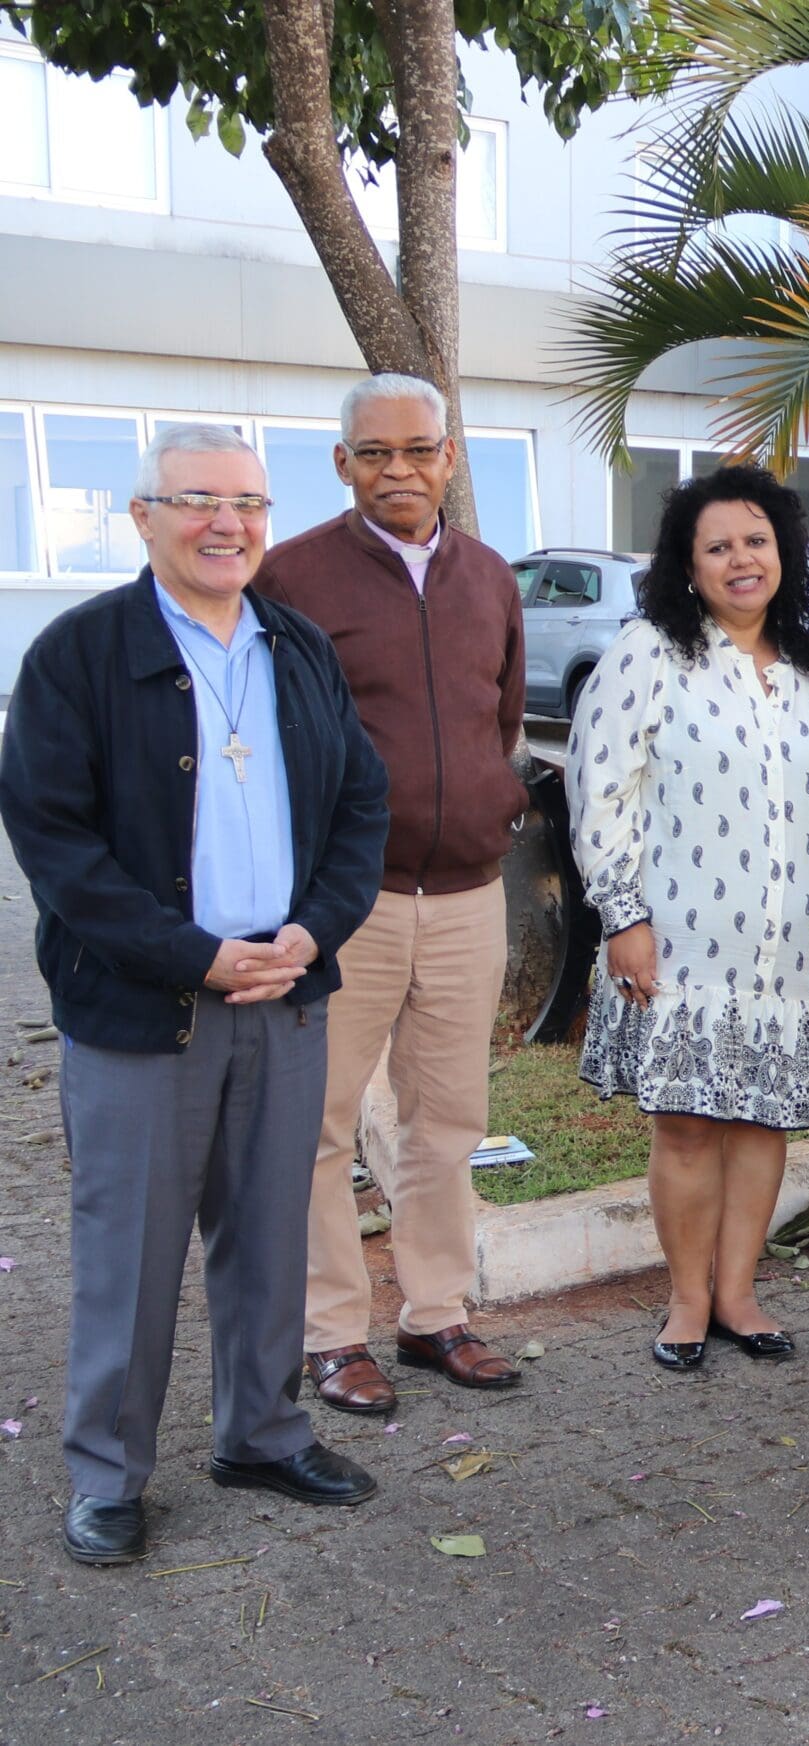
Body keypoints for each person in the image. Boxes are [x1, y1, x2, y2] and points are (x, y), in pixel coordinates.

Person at [0, 424, 390, 1564]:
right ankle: (108, 1475)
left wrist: (316, 928)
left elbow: (360, 806)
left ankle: (261, 1435)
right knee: (129, 1251)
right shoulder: (77, 654)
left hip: (285, 994)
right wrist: (191, 954)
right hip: (144, 1011)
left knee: (269, 1235)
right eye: (198, 501)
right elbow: (56, 846)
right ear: (143, 517)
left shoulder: (297, 646)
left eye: (249, 503)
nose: (229, 524)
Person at [253, 372, 532, 1411]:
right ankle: (331, 1335)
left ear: (450, 458)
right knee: (318, 1129)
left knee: (447, 1121)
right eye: (375, 452)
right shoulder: (290, 578)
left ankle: (434, 1315)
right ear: (342, 463)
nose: (399, 470)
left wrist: (489, 805)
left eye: (419, 449)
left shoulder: (490, 578)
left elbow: (500, 721)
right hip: (344, 902)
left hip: (466, 893)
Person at [571, 465, 809, 1368]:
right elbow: (600, 790)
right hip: (678, 944)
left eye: (757, 540)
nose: (741, 560)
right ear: (688, 564)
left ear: (785, 551)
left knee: (761, 1121)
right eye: (718, 547)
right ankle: (686, 1301)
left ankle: (739, 1296)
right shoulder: (649, 653)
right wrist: (623, 916)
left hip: (793, 949)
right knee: (686, 1123)